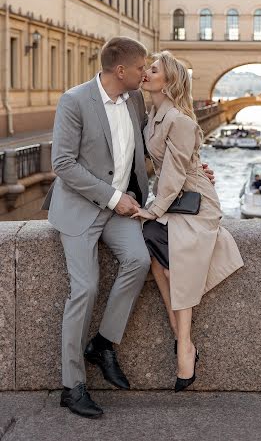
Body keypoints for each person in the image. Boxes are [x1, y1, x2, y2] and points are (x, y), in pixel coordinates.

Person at [41, 37, 215, 419]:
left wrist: (192, 173)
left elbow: (164, 146)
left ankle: (103, 343)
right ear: (122, 71)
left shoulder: (136, 100)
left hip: (122, 208)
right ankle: (72, 387)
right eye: (142, 68)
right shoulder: (74, 101)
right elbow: (64, 164)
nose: (146, 73)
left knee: (139, 260)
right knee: (84, 287)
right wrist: (112, 197)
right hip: (80, 209)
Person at [133, 51, 244, 393]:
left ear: (170, 81)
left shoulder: (179, 120)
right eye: (147, 68)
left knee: (172, 265)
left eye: (154, 70)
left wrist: (153, 210)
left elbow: (177, 171)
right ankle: (185, 342)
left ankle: (184, 348)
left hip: (195, 202)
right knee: (155, 259)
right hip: (174, 199)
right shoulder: (152, 115)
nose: (146, 73)